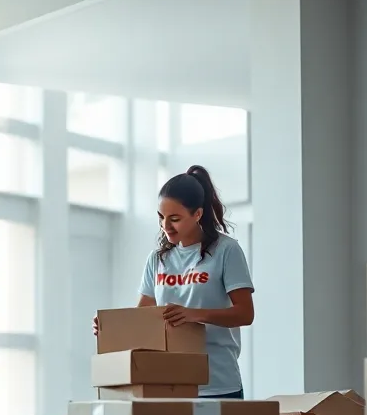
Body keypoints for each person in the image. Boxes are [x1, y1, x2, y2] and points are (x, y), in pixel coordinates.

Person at [95, 165, 254, 399]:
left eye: (175, 219)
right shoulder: (157, 259)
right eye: (161, 218)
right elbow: (142, 317)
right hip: (167, 386)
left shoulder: (226, 251)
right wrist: (110, 327)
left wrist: (195, 314)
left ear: (197, 214)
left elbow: (245, 314)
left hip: (218, 386)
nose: (165, 226)